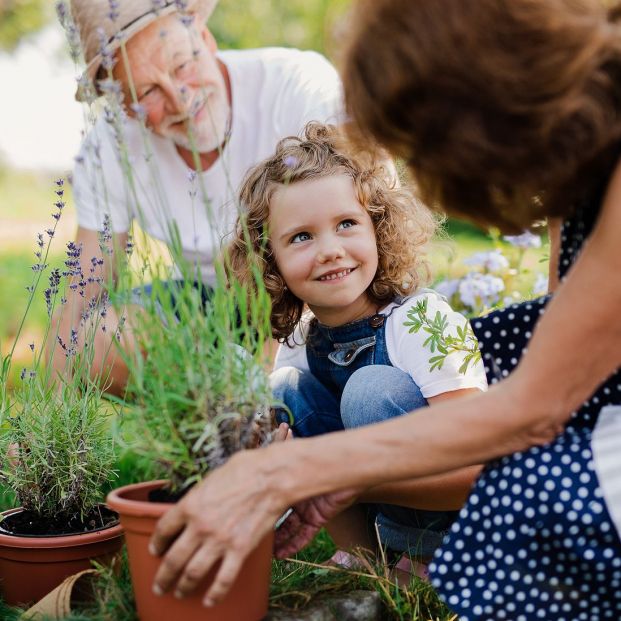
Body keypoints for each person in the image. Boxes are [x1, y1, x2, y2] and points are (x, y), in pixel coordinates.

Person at [148, 1, 621, 619]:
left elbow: (536, 410)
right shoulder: (585, 160)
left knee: (523, 493)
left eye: (424, 143)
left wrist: (292, 473)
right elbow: (572, 344)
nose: (429, 172)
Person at [227, 122, 487, 570]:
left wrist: (332, 474)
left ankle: (421, 563)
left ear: (378, 229)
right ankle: (365, 558)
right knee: (285, 389)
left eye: (346, 223)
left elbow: (476, 471)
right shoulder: (304, 337)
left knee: (369, 387)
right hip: (371, 487)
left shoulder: (422, 321)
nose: (329, 250)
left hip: (464, 524)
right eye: (301, 237)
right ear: (272, 262)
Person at [52, 0, 342, 393]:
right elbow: (84, 283)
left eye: (182, 66)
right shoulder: (110, 144)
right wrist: (46, 429)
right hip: (209, 304)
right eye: (149, 91)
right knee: (97, 340)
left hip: (317, 290)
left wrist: (266, 367)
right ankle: (219, 422)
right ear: (123, 104)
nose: (180, 100)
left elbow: (360, 216)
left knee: (299, 376)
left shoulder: (294, 84)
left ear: (205, 38)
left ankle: (280, 411)